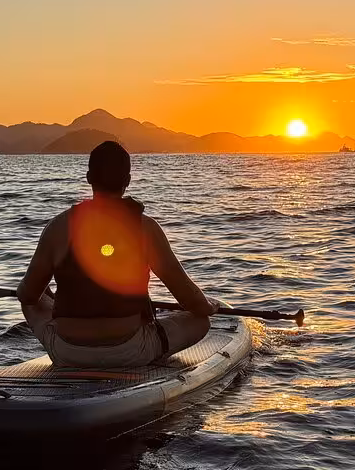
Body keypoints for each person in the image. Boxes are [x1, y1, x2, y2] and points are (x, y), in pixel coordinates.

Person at [16, 141, 217, 368]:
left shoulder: (57, 227)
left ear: (89, 177)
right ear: (128, 181)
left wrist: (41, 292)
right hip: (128, 351)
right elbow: (189, 299)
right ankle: (153, 355)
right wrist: (208, 307)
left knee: (32, 300)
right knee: (200, 322)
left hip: (68, 352)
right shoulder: (146, 228)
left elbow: (28, 296)